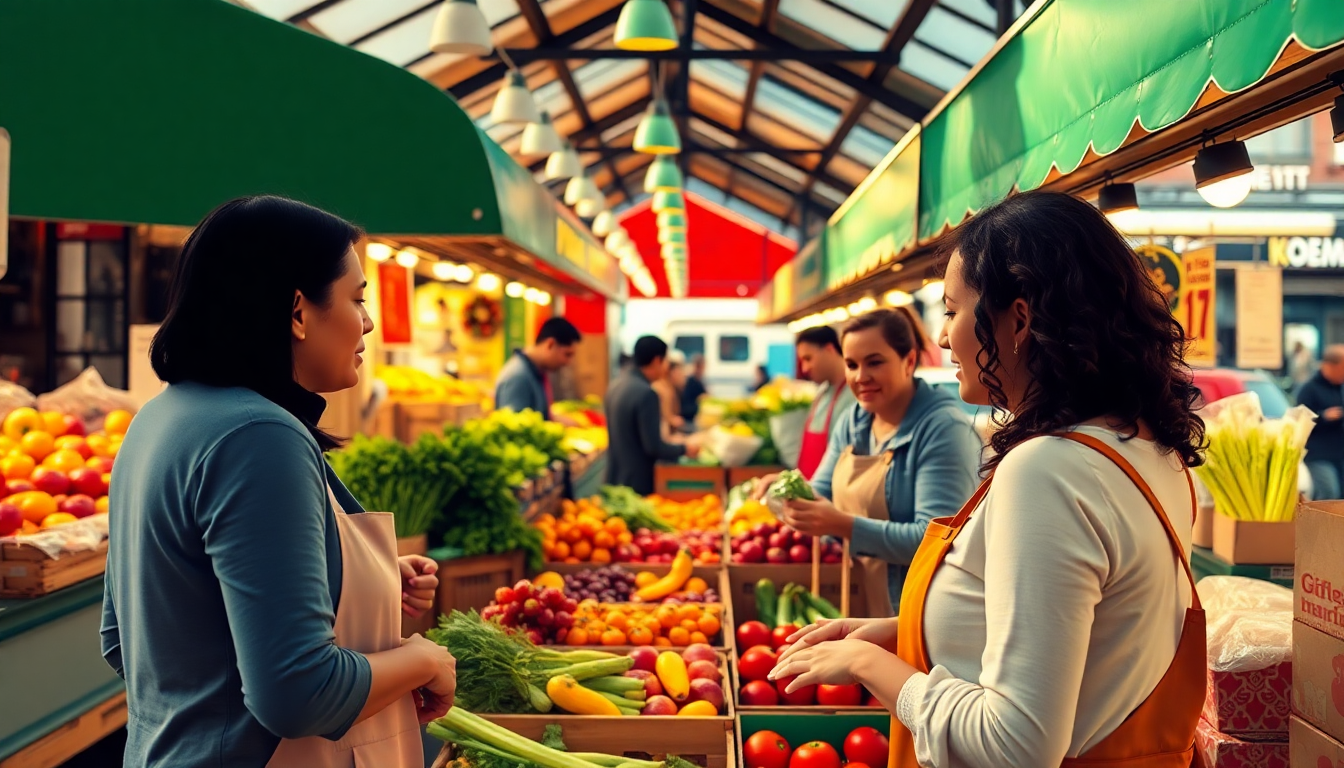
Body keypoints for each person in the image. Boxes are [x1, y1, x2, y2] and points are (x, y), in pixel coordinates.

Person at [771, 191, 1207, 768]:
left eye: (952, 311)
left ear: (1018, 319)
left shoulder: (1047, 468)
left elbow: (1017, 745)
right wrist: (900, 629)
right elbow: (1088, 632)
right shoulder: (1149, 450)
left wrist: (865, 663)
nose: (942, 337)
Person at [102, 197, 457, 768]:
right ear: (297, 311)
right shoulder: (259, 437)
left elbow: (129, 638)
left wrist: (349, 579)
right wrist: (424, 661)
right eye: (357, 299)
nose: (367, 322)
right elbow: (298, 694)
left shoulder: (159, 418)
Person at [754, 308, 981, 617]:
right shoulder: (854, 421)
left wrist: (842, 525)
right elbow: (820, 492)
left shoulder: (943, 429)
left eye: (874, 362)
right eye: (851, 365)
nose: (860, 377)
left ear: (909, 361)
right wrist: (787, 490)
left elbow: (934, 541)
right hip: (864, 597)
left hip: (919, 610)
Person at [606, 336, 699, 494]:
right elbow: (653, 447)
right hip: (636, 484)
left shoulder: (616, 385)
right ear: (657, 360)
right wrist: (684, 449)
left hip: (614, 478)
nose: (667, 368)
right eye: (666, 361)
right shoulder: (646, 393)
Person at [794, 326, 857, 479]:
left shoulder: (855, 394)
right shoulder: (821, 393)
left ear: (829, 349)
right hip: (810, 484)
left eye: (808, 359)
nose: (804, 368)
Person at [494, 317, 581, 421]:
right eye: (567, 354)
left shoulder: (536, 371)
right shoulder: (518, 377)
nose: (568, 362)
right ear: (550, 345)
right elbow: (514, 427)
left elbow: (540, 417)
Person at [1298, 344, 1344, 500]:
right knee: (1329, 492)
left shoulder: (1340, 388)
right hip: (1318, 454)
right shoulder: (1309, 389)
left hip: (1339, 452)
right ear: (1330, 366)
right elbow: (1300, 421)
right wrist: (1323, 417)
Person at [652, 349, 688, 436]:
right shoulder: (662, 389)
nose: (683, 375)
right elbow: (665, 418)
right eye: (679, 371)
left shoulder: (670, 388)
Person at [681, 354, 708, 425]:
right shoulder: (691, 382)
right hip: (689, 420)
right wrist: (699, 401)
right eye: (699, 367)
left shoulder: (699, 381)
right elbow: (686, 407)